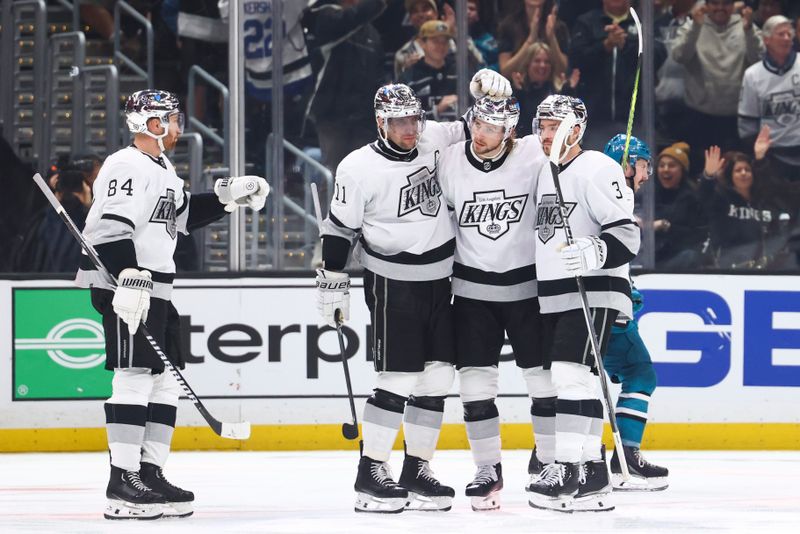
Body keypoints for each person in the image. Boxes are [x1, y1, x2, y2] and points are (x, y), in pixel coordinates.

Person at [316, 73, 512, 513]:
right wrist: (332, 277)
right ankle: (371, 471)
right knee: (398, 377)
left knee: (438, 376)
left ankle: (416, 469)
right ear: (379, 122)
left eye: (414, 120)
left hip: (441, 280)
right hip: (392, 281)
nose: (409, 129)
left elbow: (481, 126)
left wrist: (486, 92)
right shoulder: (356, 167)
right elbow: (340, 228)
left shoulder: (434, 140)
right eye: (398, 121)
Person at [75, 90, 269, 520]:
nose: (179, 126)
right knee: (134, 376)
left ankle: (150, 472)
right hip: (127, 285)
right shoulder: (124, 165)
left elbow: (180, 217)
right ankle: (121, 481)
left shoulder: (161, 166)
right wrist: (126, 277)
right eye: (173, 119)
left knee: (163, 379)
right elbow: (108, 230)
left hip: (155, 287)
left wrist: (228, 197)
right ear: (151, 123)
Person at [527, 94, 640, 512]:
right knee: (578, 380)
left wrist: (596, 251)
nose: (545, 134)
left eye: (554, 126)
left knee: (569, 375)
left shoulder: (598, 167)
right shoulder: (543, 173)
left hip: (594, 287)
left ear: (576, 129)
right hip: (556, 291)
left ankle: (566, 467)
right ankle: (593, 471)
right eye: (542, 126)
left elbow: (628, 235)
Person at [437, 96, 547, 510]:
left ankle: (551, 463)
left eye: (492, 128)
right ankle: (488, 470)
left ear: (511, 132)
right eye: (477, 124)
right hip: (470, 291)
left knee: (542, 381)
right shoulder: (449, 160)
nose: (481, 135)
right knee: (475, 386)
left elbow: (571, 157)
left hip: (527, 287)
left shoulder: (533, 153)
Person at [602, 133, 670, 491]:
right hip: (607, 308)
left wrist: (629, 289)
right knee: (640, 373)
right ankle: (625, 457)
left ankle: (550, 456)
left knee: (576, 382)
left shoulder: (591, 189)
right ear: (628, 165)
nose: (647, 174)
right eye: (643, 165)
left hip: (584, 302)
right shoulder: (618, 197)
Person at [672, 0, 763, 172]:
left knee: (735, 172)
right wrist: (695, 28)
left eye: (726, 3)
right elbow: (679, 56)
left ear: (734, 5)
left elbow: (758, 60)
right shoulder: (693, 25)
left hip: (735, 118)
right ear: (706, 5)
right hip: (699, 116)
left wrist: (749, 30)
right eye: (715, 3)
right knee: (700, 172)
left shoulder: (746, 25)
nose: (720, 8)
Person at [738, 15, 800, 180]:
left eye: (789, 34)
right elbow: (747, 123)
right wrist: (759, 155)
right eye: (781, 34)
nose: (787, 38)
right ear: (766, 40)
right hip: (774, 157)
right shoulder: (753, 75)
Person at [400, 20, 459, 120]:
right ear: (422, 43)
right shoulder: (409, 77)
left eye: (444, 41)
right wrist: (437, 110)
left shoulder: (459, 72)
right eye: (435, 41)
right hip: (423, 135)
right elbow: (401, 118)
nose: (441, 46)